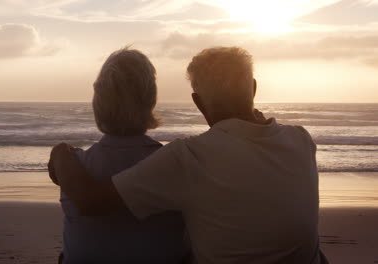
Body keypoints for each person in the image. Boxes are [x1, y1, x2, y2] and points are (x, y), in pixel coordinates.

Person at [50, 47, 326, 264]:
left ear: (198, 102)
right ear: (253, 88)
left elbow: (90, 201)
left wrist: (61, 155)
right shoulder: (301, 140)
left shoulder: (190, 158)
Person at [48, 48, 189, 264]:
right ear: (150, 100)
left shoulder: (72, 166)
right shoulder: (179, 166)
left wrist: (60, 152)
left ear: (98, 98)